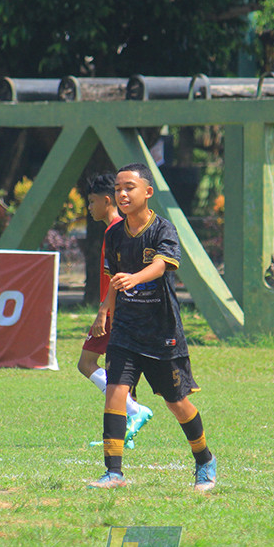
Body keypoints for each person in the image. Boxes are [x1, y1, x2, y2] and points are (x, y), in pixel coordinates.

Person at [87, 162, 217, 491]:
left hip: (162, 333)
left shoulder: (163, 230)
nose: (122, 193)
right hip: (126, 331)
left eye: (129, 187)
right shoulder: (114, 234)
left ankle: (204, 459)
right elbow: (115, 280)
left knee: (177, 403)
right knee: (115, 394)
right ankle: (113, 472)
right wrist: (104, 309)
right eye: (118, 188)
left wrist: (136, 277)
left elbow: (161, 265)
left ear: (147, 192)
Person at [79, 173, 153, 449]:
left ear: (106, 200)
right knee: (121, 374)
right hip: (121, 311)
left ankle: (135, 412)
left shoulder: (115, 230)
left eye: (92, 201)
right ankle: (124, 433)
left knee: (86, 364)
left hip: (114, 311)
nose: (89, 207)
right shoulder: (121, 228)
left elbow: (118, 275)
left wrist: (103, 311)